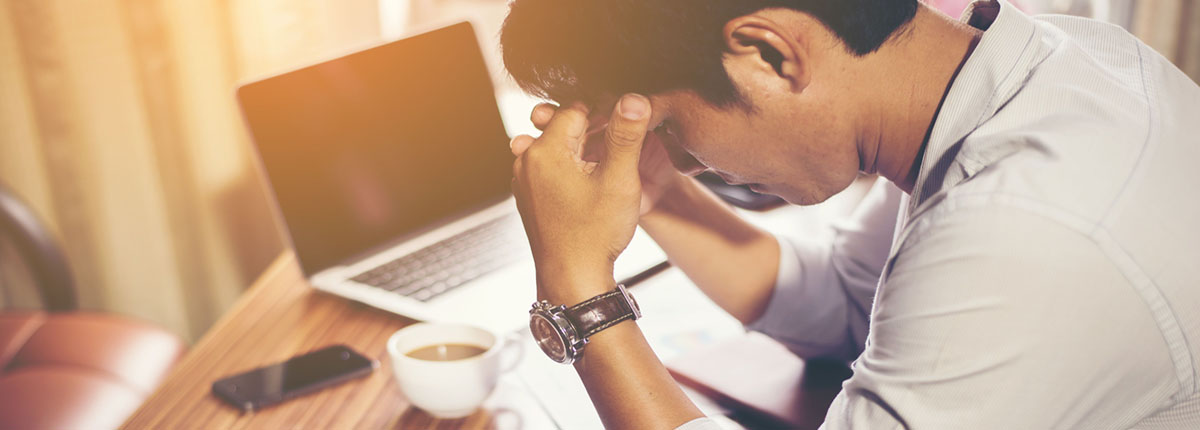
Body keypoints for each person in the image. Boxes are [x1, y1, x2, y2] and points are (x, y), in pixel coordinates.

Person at [502, 0, 1200, 428]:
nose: (685, 158)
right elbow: (844, 303)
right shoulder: (1031, 70)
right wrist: (655, 187)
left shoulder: (1028, 224)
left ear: (770, 53)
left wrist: (576, 287)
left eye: (677, 129)